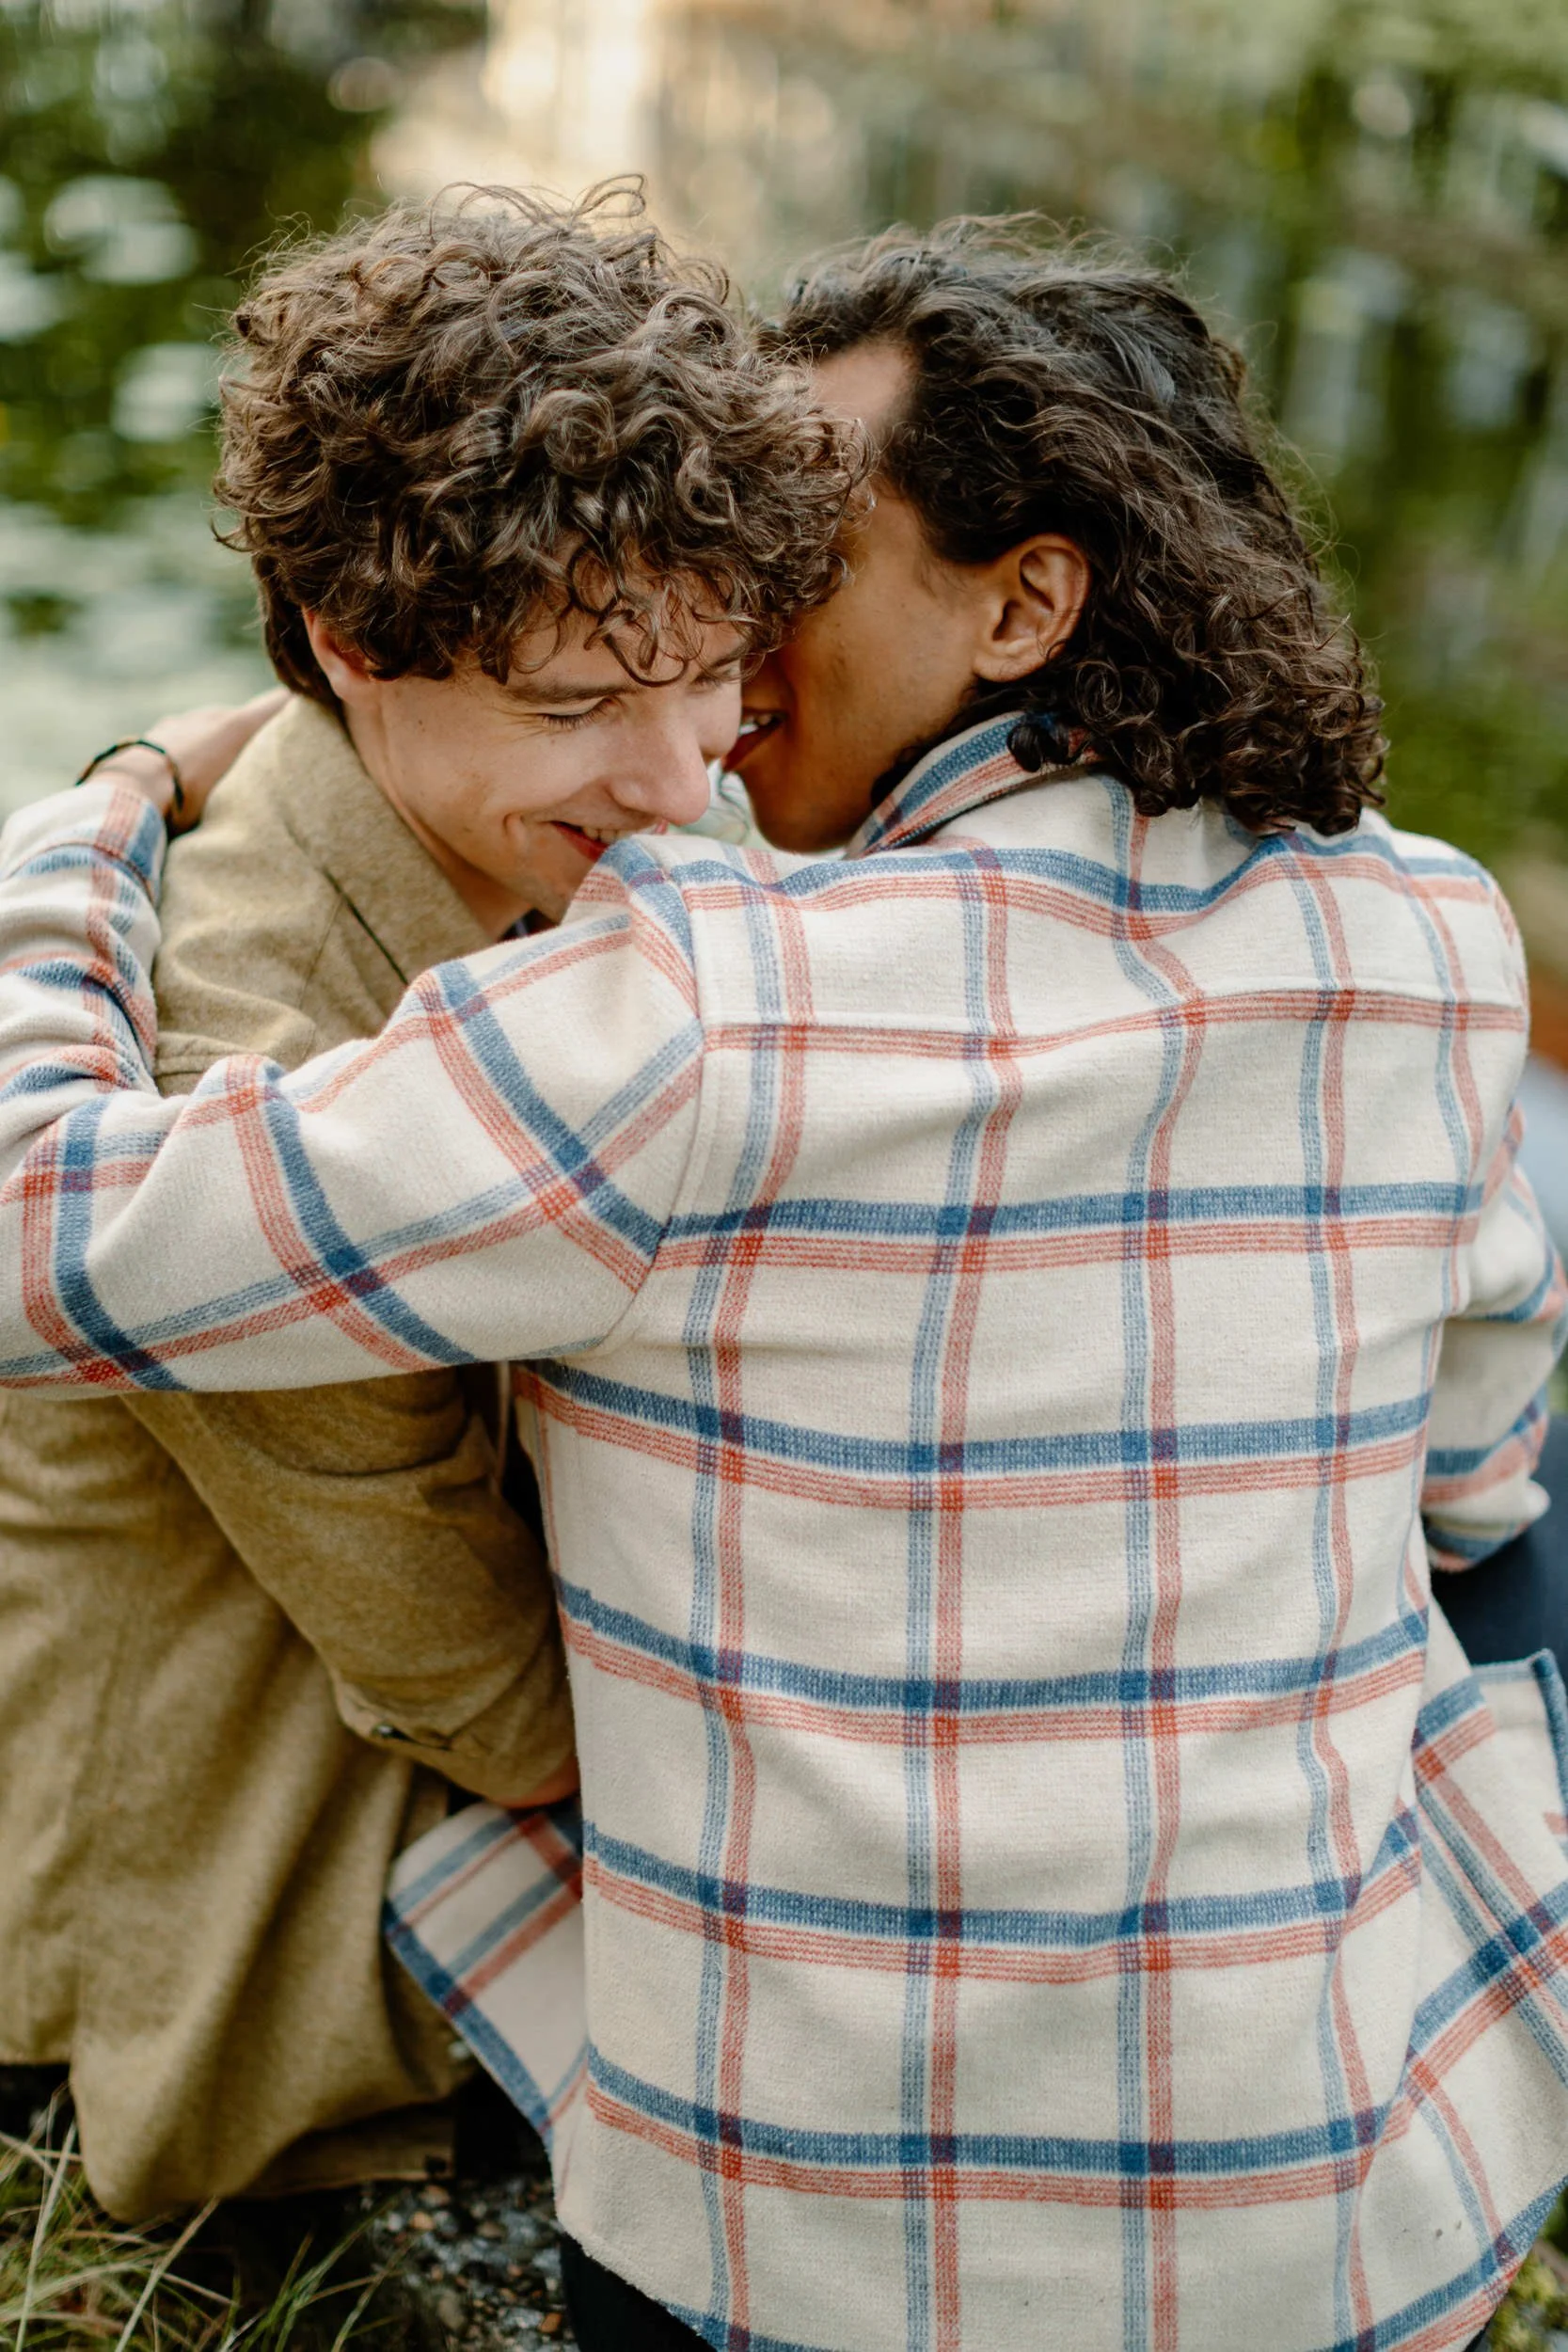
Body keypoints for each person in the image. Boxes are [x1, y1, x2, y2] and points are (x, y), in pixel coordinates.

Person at [0, 215, 1565, 2352]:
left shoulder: (708, 981)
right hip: (1336, 2232)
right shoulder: (1420, 923)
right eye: (590, 695)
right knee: (1479, 1551)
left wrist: (98, 811)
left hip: (781, 2232)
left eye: (761, 616)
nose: (695, 769)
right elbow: (1467, 1475)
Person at [0, 187, 856, 2219]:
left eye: (718, 678)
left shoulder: (532, 846)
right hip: (238, 1936)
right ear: (345, 648)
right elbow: (488, 1692)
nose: (677, 783)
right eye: (576, 708)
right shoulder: (249, 1056)